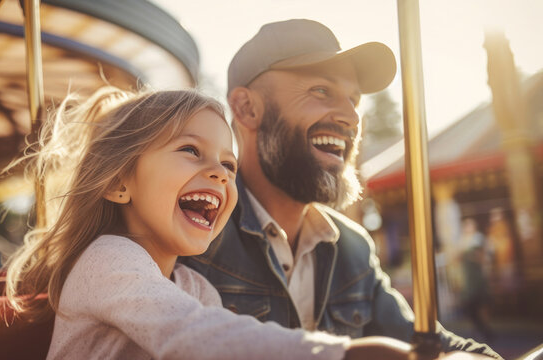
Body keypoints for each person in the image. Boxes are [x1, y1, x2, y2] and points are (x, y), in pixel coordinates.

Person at [4, 87, 482, 359]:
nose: (217, 172)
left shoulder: (193, 286)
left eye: (228, 165)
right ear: (119, 184)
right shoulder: (109, 260)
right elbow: (194, 336)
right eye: (191, 150)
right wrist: (342, 354)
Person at [179, 19, 500, 358]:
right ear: (247, 108)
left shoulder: (353, 248)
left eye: (354, 99)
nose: (352, 117)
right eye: (321, 90)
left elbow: (427, 342)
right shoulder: (192, 236)